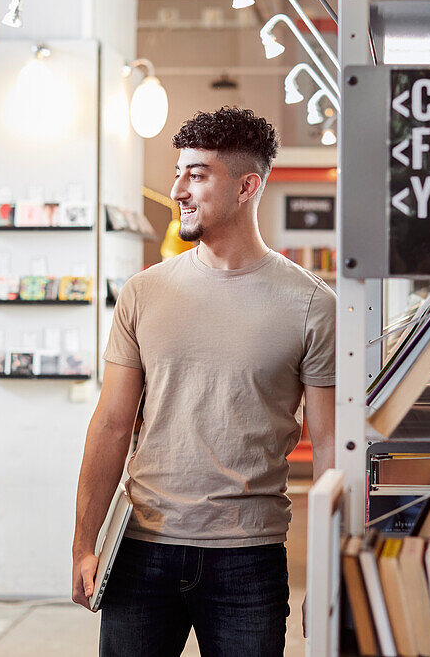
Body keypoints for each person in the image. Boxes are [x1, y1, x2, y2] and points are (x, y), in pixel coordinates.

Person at [72, 106, 336, 656]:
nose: (178, 190)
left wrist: (331, 568)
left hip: (249, 558)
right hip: (141, 547)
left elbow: (332, 446)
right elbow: (113, 423)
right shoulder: (143, 294)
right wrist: (84, 543)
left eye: (196, 174)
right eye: (178, 173)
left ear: (247, 186)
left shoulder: (311, 304)